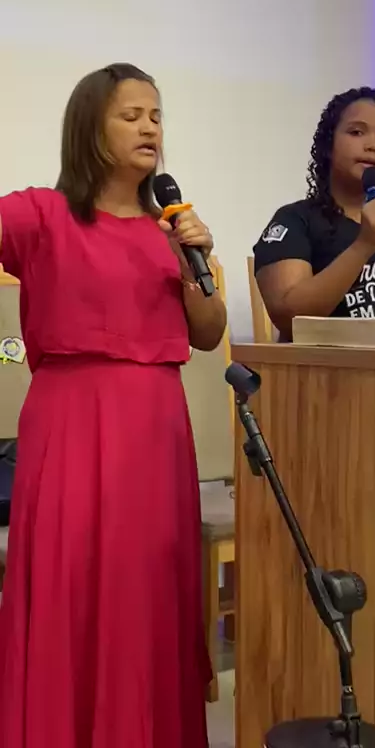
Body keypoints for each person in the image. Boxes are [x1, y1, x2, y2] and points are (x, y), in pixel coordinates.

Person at [0, 62, 227, 748]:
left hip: (156, 428)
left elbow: (209, 332)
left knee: (147, 588)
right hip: (70, 420)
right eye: (131, 115)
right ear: (88, 128)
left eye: (156, 116)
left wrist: (194, 262)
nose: (149, 127)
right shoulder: (40, 214)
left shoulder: (171, 231)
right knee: (70, 583)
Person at [253, 86, 375, 341]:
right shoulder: (296, 220)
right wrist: (363, 246)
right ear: (329, 144)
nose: (373, 146)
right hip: (325, 365)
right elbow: (290, 318)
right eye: (357, 132)